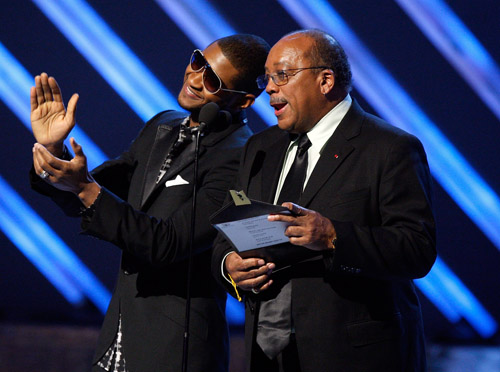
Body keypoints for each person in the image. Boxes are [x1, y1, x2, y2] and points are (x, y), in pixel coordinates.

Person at [29, 34, 270, 372]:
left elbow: (167, 244)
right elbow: (89, 196)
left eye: (213, 79)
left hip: (175, 350)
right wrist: (54, 150)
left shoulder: (240, 157)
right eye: (198, 61)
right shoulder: (162, 125)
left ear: (243, 101)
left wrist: (85, 188)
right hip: (116, 338)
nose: (195, 78)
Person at [211, 29, 436, 372]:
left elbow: (416, 250)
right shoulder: (260, 148)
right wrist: (229, 265)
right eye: (266, 78)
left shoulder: (389, 148)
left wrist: (333, 237)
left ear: (325, 80)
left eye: (282, 76)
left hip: (354, 356)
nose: (269, 88)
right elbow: (228, 234)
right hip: (268, 356)